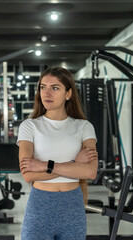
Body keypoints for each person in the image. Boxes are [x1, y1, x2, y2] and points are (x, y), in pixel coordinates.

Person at [17, 66, 98, 240]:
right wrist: (74, 165)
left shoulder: (84, 126)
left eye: (55, 88)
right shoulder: (29, 126)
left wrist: (44, 166)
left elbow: (90, 172)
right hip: (40, 205)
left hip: (72, 206)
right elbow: (29, 174)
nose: (46, 93)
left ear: (68, 94)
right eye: (43, 87)